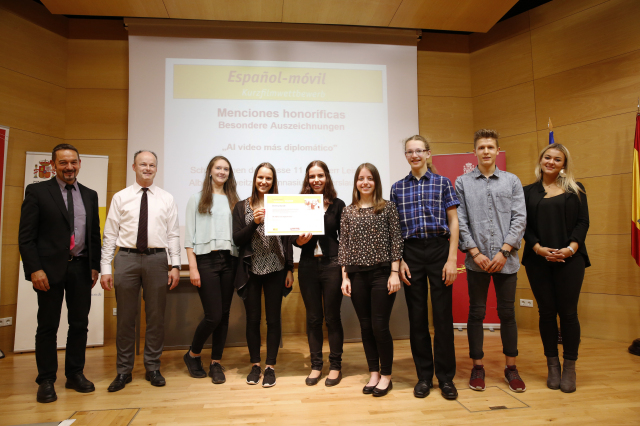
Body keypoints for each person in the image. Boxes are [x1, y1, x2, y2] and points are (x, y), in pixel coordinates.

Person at [19, 144, 101, 403]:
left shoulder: (90, 194)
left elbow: (94, 235)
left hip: (80, 268)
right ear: (53, 165)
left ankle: (75, 374)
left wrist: (95, 266)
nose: (69, 167)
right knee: (47, 326)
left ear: (79, 164)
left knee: (79, 324)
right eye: (63, 163)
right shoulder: (37, 191)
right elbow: (26, 237)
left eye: (73, 162)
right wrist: (34, 269)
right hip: (48, 271)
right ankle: (46, 379)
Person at [100, 150, 181, 391]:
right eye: (143, 164)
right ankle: (123, 371)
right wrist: (106, 268)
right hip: (126, 258)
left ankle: (153, 367)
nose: (148, 168)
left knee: (156, 317)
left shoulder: (166, 198)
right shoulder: (120, 197)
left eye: (152, 165)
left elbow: (173, 234)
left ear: (157, 168)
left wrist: (175, 265)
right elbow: (110, 235)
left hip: (157, 260)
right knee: (125, 318)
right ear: (133, 167)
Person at [455, 129, 527, 393]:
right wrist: (475, 252)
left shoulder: (512, 181)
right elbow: (459, 220)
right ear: (474, 151)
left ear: (497, 151)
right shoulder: (462, 182)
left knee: (507, 314)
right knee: (476, 313)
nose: (486, 151)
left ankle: (511, 368)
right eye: (481, 147)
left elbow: (520, 218)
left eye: (490, 147)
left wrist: (504, 251)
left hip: (505, 261)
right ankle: (478, 366)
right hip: (477, 261)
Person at [390, 135, 460, 400]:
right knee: (417, 318)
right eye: (410, 151)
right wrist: (401, 260)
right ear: (406, 156)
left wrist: (452, 259)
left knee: (443, 318)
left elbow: (454, 222)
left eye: (419, 151)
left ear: (428, 154)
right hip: (411, 253)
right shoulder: (397, 188)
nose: (415, 155)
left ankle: (445, 378)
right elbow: (395, 230)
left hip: (440, 251)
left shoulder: (443, 183)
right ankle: (423, 377)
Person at [523, 143, 589, 393]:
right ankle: (552, 366)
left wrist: (571, 248)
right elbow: (523, 224)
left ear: (564, 165)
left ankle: (570, 367)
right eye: (547, 157)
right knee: (547, 313)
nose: (551, 162)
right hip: (538, 259)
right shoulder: (527, 191)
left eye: (557, 159)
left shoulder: (576, 189)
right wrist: (538, 248)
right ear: (540, 160)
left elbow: (583, 222)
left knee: (569, 313)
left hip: (571, 259)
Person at [339, 163, 403, 397]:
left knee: (379, 326)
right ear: (356, 182)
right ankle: (373, 372)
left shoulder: (388, 208)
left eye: (369, 178)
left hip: (381, 274)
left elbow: (396, 241)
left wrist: (394, 273)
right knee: (365, 326)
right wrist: (344, 277)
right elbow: (343, 246)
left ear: (376, 181)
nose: (365, 182)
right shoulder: (348, 211)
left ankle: (386, 375)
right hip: (356, 275)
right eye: (360, 178)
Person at [232, 162, 294, 388]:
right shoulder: (241, 207)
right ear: (254, 179)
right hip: (251, 271)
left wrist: (289, 268)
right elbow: (238, 239)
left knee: (273, 319)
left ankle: (270, 367)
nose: (264, 182)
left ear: (273, 181)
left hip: (276, 269)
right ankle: (255, 365)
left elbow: (287, 240)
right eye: (260, 177)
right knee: (252, 320)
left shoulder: (279, 204)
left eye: (268, 178)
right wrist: (254, 222)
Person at [182, 156, 239, 384]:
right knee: (213, 315)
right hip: (205, 262)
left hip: (230, 261)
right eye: (218, 168)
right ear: (210, 171)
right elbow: (189, 239)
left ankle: (216, 362)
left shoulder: (235, 201)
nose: (222, 172)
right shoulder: (196, 199)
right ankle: (193, 354)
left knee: (223, 315)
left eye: (226, 169)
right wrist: (193, 268)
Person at [294, 161, 346, 387]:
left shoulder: (338, 204)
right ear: (307, 178)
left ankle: (335, 366)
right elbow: (292, 239)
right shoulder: (300, 204)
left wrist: (346, 271)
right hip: (307, 265)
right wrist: (299, 240)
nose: (316, 180)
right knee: (313, 318)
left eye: (320, 175)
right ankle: (316, 365)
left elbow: (345, 239)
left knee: (332, 317)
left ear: (327, 177)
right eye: (312, 176)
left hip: (332, 265)